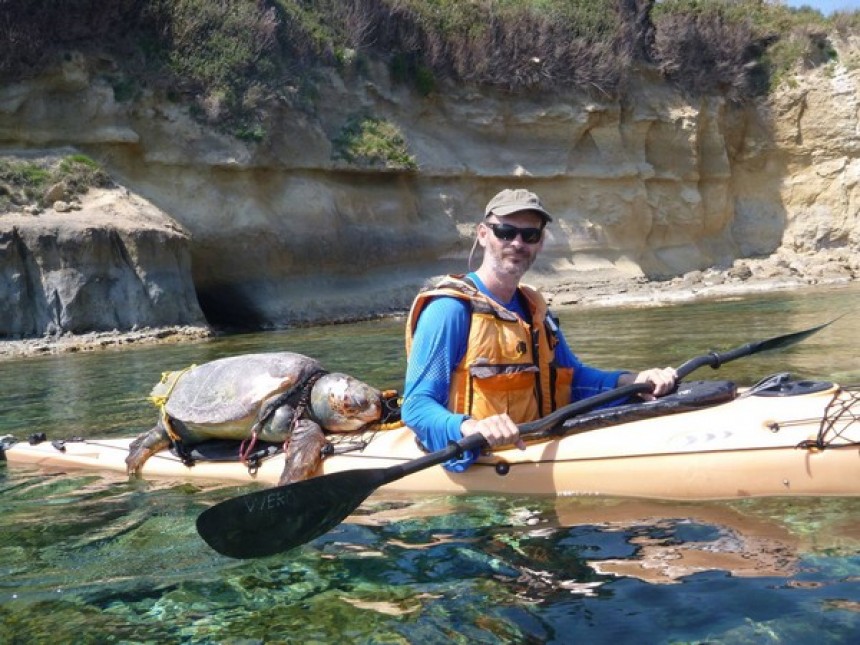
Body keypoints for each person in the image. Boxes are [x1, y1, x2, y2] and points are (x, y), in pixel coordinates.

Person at [402, 188, 677, 471]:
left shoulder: (536, 310)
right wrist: (471, 426)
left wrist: (634, 381)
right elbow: (416, 406)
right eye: (505, 232)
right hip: (478, 460)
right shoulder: (449, 310)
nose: (517, 243)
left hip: (531, 448)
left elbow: (573, 378)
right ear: (483, 235)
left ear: (540, 242)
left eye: (529, 235)